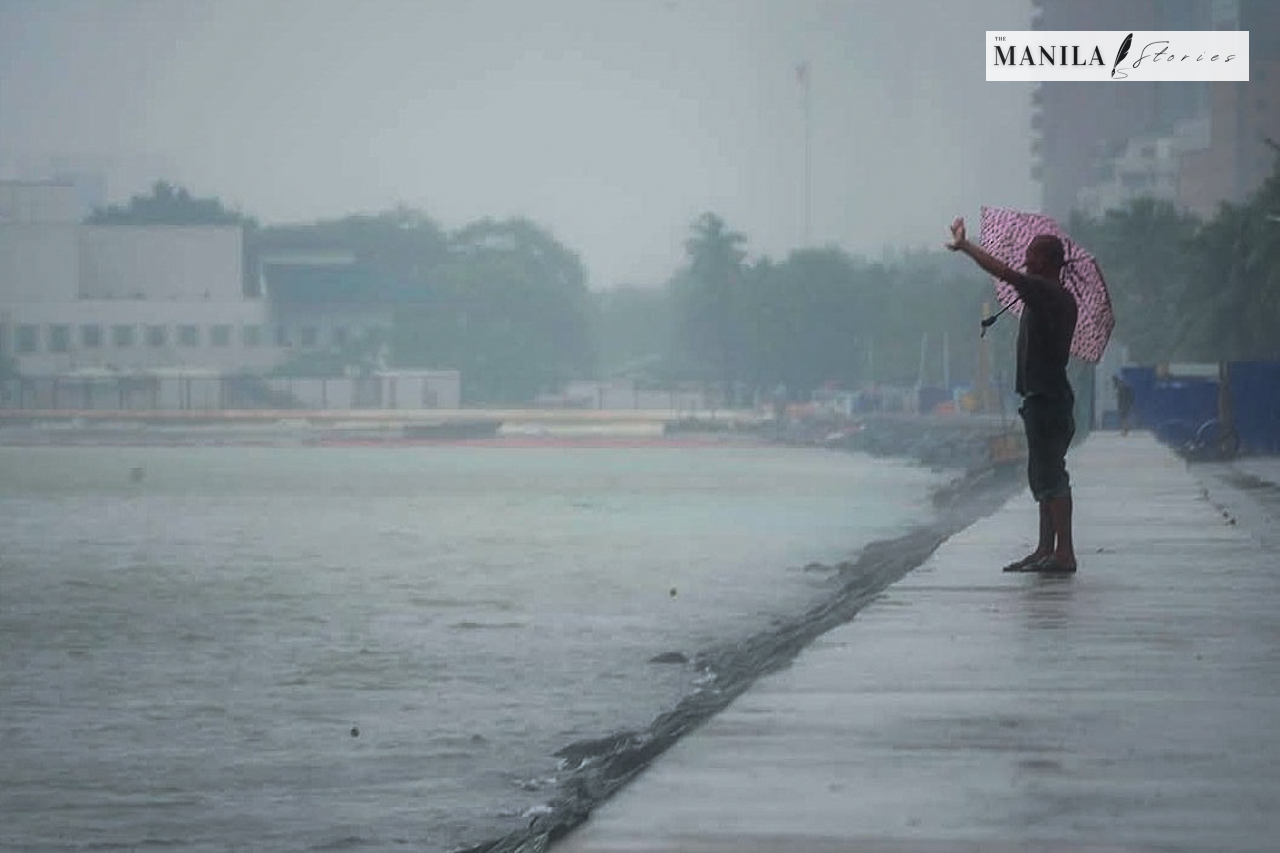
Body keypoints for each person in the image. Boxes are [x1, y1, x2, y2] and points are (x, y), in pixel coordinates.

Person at [946, 217, 1079, 573]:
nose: (1025, 260)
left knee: (1052, 475)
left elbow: (1003, 272)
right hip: (1044, 397)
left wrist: (965, 246)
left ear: (1049, 262)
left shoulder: (1047, 293)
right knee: (1043, 475)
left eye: (1032, 255)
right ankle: (1045, 549)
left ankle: (1064, 553)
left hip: (1048, 398)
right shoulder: (1052, 297)